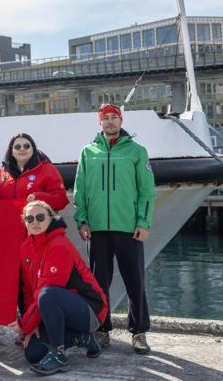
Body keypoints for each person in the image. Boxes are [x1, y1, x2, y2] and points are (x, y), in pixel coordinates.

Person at [73, 103, 156, 355]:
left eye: (114, 118)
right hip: (97, 228)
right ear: (100, 123)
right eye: (105, 118)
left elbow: (146, 191)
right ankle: (102, 328)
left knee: (135, 280)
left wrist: (143, 222)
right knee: (99, 282)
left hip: (128, 227)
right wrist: (82, 220)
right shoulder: (88, 152)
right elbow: (80, 190)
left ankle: (139, 331)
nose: (110, 122)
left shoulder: (137, 151)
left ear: (121, 120)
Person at [9, 201, 108, 376]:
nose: (35, 222)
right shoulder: (25, 248)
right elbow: (29, 290)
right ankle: (82, 338)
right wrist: (31, 326)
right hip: (57, 308)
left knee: (48, 293)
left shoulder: (59, 245)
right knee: (33, 354)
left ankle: (59, 354)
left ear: (51, 218)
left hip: (89, 309)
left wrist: (23, 324)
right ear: (24, 222)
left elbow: (46, 291)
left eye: (40, 217)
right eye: (29, 218)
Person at [0, 133, 69, 211]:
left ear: (33, 149)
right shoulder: (2, 172)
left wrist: (39, 197)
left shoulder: (48, 169)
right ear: (12, 152)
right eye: (17, 147)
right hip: (9, 221)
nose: (22, 149)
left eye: (26, 146)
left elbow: (61, 200)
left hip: (36, 221)